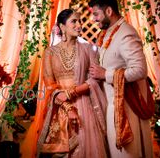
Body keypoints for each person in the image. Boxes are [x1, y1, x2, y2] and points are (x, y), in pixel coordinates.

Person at [89, 0, 154, 158]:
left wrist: (106, 74)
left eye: (96, 14)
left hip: (126, 107)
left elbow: (140, 70)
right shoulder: (109, 32)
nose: (93, 19)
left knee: (126, 154)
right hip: (111, 104)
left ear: (109, 11)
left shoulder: (126, 33)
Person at [37, 9, 108, 157]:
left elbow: (94, 79)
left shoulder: (88, 49)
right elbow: (50, 85)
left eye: (80, 21)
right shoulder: (50, 53)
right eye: (74, 21)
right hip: (61, 106)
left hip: (85, 106)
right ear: (62, 27)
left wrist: (70, 93)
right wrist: (68, 107)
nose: (79, 25)